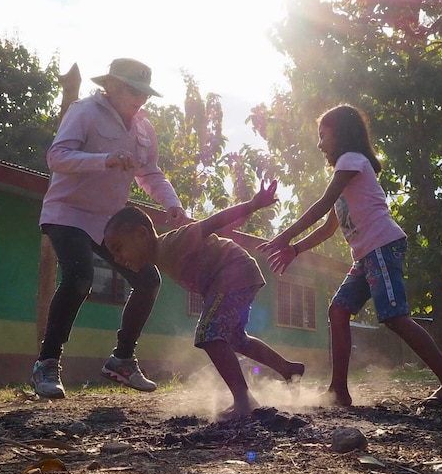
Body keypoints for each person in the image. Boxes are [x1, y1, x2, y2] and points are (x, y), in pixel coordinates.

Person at [257, 104, 442, 407]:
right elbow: (327, 228)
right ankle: (339, 391)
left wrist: (283, 236)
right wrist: (294, 249)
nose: (319, 144)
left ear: (342, 134)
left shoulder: (352, 161)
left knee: (395, 318)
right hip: (366, 256)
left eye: (323, 135)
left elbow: (322, 204)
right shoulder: (346, 173)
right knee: (338, 311)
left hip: (383, 247)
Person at [33, 58, 186, 399]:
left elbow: (150, 174)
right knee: (79, 276)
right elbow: (57, 157)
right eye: (134, 90)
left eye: (146, 92)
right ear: (113, 86)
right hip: (67, 211)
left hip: (108, 220)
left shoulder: (144, 129)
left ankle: (122, 360)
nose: (141, 99)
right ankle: (46, 363)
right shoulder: (84, 111)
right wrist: (104, 160)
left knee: (148, 279)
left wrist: (172, 204)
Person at [104, 180, 305, 419]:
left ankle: (244, 400)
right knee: (236, 339)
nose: (117, 259)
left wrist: (253, 204)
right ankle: (288, 369)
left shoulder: (173, 242)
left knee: (208, 333)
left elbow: (213, 223)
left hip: (233, 273)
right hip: (236, 277)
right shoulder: (162, 255)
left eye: (119, 248)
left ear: (141, 235)